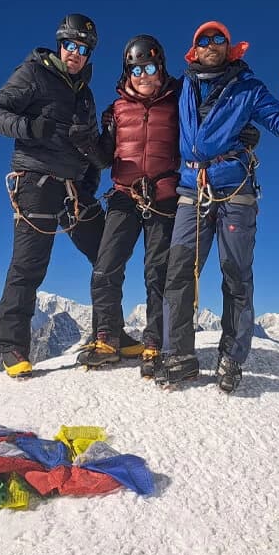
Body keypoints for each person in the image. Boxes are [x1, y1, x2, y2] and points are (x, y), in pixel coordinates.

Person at [157, 20, 279, 392]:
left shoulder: (247, 87)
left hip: (234, 188)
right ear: (194, 50)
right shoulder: (182, 87)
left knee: (235, 273)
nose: (211, 44)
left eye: (218, 38)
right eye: (203, 39)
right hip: (192, 188)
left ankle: (231, 358)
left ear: (229, 46)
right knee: (178, 271)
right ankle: (178, 356)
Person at [0, 13, 130, 378]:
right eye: (70, 45)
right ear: (59, 44)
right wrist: (30, 127)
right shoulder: (33, 74)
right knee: (29, 264)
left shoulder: (86, 96)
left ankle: (111, 332)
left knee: (107, 254)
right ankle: (13, 347)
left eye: (83, 49)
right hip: (35, 181)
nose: (75, 54)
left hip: (74, 188)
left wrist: (97, 160)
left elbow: (96, 153)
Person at [75, 35, 181, 374]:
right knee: (106, 266)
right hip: (125, 195)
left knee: (157, 272)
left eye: (150, 68)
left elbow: (202, 128)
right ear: (127, 72)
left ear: (161, 68)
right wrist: (87, 144)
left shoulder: (178, 102)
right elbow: (105, 158)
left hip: (164, 197)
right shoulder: (117, 110)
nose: (144, 76)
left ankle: (155, 343)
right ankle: (107, 339)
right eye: (136, 70)